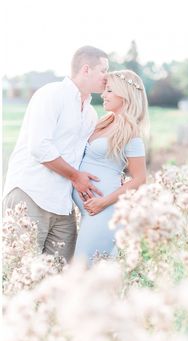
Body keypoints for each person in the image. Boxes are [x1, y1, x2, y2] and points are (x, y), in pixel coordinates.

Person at [3, 46, 109, 262]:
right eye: (104, 70)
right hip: (30, 194)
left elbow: (86, 156)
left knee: (57, 281)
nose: (107, 77)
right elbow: (39, 147)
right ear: (86, 69)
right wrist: (75, 177)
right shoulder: (51, 94)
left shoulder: (90, 113)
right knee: (18, 272)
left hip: (62, 206)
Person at [72, 70, 149, 265]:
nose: (103, 95)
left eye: (109, 91)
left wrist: (103, 202)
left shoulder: (132, 132)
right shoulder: (104, 122)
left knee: (82, 269)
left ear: (125, 95)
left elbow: (140, 179)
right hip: (90, 211)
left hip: (104, 211)